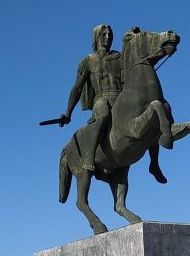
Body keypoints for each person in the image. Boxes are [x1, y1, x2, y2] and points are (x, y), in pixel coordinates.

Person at [61, 24, 167, 183]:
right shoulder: (88, 61)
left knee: (151, 118)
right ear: (96, 38)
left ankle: (154, 163)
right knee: (103, 115)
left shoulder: (119, 57)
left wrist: (145, 42)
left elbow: (138, 57)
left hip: (122, 98)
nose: (108, 37)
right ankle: (89, 157)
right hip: (102, 99)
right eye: (103, 34)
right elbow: (76, 88)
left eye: (110, 34)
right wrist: (68, 113)